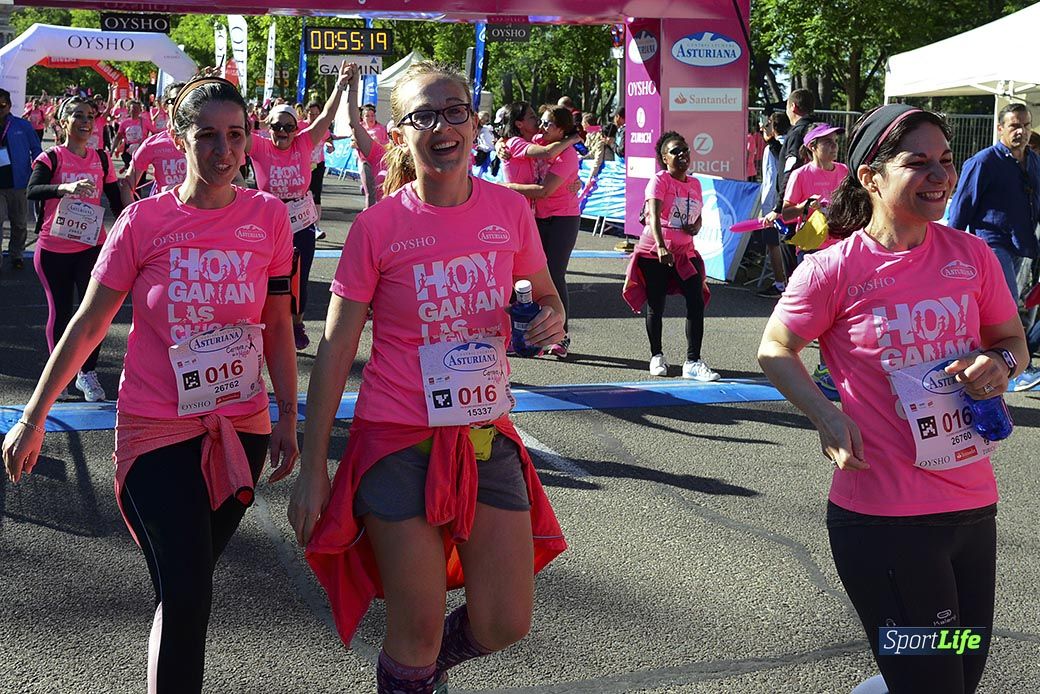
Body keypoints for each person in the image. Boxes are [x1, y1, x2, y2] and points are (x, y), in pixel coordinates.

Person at [3, 74, 299, 693]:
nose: (224, 150)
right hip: (156, 428)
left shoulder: (268, 217)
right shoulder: (143, 220)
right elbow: (88, 323)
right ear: (178, 138)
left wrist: (288, 417)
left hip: (239, 430)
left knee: (184, 588)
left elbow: (277, 322)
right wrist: (34, 416)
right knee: (189, 589)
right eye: (207, 135)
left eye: (236, 135)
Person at [288, 59, 567, 694]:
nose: (443, 127)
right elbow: (335, 348)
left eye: (455, 112)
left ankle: (419, 675)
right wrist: (313, 468)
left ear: (474, 123)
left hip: (484, 435)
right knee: (416, 630)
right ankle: (412, 674)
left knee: (505, 621)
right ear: (399, 134)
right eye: (423, 116)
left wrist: (551, 319)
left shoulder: (509, 211)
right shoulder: (378, 226)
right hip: (397, 439)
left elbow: (547, 297)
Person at [758, 104, 1027, 694]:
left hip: (972, 507)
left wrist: (1000, 365)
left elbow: (1013, 342)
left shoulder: (971, 256)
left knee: (958, 675)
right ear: (871, 177)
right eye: (918, 162)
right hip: (885, 519)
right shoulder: (833, 269)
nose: (940, 176)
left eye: (946, 161)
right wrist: (825, 415)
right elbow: (775, 348)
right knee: (934, 684)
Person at [26, 96, 129, 401]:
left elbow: (116, 201)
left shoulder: (102, 159)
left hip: (91, 248)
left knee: (94, 315)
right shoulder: (51, 157)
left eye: (90, 117)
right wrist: (64, 188)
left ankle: (87, 373)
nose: (86, 122)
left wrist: (132, 223)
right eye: (79, 116)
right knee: (61, 312)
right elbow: (32, 190)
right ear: (64, 122)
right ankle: (59, 377)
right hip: (54, 249)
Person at [248, 62, 349, 351]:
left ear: (296, 128)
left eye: (288, 127)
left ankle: (296, 324)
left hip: (301, 220)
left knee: (300, 275)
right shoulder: (259, 146)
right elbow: (235, 126)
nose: (282, 132)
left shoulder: (304, 143)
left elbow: (327, 115)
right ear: (268, 127)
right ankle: (264, 321)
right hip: (269, 220)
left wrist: (340, 85)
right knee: (267, 274)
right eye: (277, 126)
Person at [948, 102, 1040, 391]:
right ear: (1000, 128)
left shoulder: (1033, 160)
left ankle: (992, 364)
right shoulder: (983, 161)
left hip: (1022, 245)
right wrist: (948, 249)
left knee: (1005, 310)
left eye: (1026, 125)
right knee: (1008, 308)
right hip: (991, 243)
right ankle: (1014, 370)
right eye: (1015, 126)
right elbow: (961, 207)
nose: (1021, 131)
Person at [622, 131, 718, 381]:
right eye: (676, 151)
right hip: (655, 252)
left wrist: (696, 226)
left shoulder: (695, 183)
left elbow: (698, 214)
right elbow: (653, 216)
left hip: (685, 252)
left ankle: (693, 362)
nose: (683, 154)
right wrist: (661, 246)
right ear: (665, 158)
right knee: (656, 304)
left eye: (685, 149)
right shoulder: (659, 180)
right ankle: (656, 355)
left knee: (696, 300)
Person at [500, 105, 583, 357]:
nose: (541, 126)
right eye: (538, 120)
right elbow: (526, 147)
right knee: (526, 276)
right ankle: (528, 334)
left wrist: (508, 188)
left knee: (554, 276)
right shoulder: (535, 141)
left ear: (561, 129)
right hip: (536, 217)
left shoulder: (566, 154)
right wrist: (499, 144)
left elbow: (544, 190)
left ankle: (561, 336)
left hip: (562, 218)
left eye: (548, 123)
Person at [759, 88, 817, 298]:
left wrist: (779, 207)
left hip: (795, 207)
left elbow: (790, 170)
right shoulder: (816, 130)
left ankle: (796, 298)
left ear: (793, 106)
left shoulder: (798, 132)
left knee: (792, 255)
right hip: (814, 205)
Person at [0, 87, 43, 270]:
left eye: (2, 105)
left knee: (19, 224)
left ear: (9, 106)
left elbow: (37, 150)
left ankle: (16, 254)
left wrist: (37, 172)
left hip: (18, 183)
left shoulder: (22, 126)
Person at [126, 82, 187, 198]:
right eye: (175, 100)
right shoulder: (153, 144)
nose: (181, 104)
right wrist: (133, 209)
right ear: (165, 106)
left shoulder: (206, 140)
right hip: (164, 209)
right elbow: (127, 185)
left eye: (185, 99)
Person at [758, 112, 790, 218]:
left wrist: (767, 204)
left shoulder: (770, 149)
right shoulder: (791, 145)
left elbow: (771, 176)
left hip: (774, 200)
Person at [112, 100, 154, 168]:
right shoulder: (124, 123)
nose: (135, 111)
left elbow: (154, 133)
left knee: (140, 171)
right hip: (129, 150)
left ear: (140, 110)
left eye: (137, 109)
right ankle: (127, 166)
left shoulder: (145, 121)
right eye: (133, 109)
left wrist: (149, 144)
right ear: (129, 110)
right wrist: (112, 150)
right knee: (131, 169)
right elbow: (118, 137)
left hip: (141, 149)